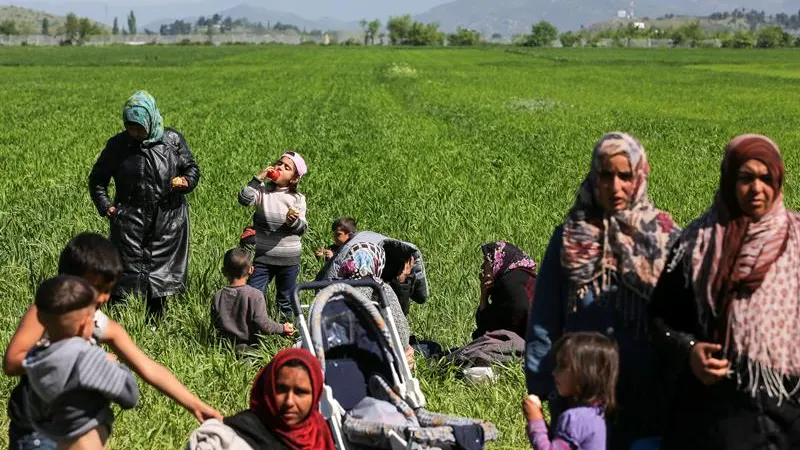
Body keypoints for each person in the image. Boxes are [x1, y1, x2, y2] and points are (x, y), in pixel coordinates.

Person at [525, 132, 680, 450]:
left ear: (639, 176)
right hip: (582, 389)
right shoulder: (570, 237)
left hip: (645, 389)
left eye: (625, 176)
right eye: (606, 175)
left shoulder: (664, 238)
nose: (615, 186)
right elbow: (544, 318)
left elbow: (679, 318)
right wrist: (541, 388)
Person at [649, 134, 800, 450]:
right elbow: (661, 317)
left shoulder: (797, 242)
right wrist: (689, 351)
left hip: (790, 408)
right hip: (717, 410)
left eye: (766, 178)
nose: (757, 188)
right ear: (730, 179)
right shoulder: (695, 244)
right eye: (745, 178)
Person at [4, 232, 220, 450]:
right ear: (70, 282)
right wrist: (72, 358)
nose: (105, 298)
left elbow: (148, 368)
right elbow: (13, 361)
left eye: (108, 290)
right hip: (36, 430)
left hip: (78, 429)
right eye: (98, 289)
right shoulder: (49, 312)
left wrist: (195, 405)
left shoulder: (98, 322)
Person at [88, 90, 200, 322]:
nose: (135, 133)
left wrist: (186, 182)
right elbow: (98, 180)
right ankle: (117, 324)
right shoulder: (118, 145)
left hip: (167, 220)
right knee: (123, 273)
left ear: (151, 119)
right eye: (130, 127)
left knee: (160, 276)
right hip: (129, 220)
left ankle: (154, 324)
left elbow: (192, 169)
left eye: (139, 127)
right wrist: (107, 207)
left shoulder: (172, 140)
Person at [23, 275, 139, 448]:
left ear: (40, 318)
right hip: (86, 440)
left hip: (57, 438)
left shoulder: (36, 357)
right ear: (85, 325)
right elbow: (129, 395)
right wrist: (112, 364)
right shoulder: (86, 358)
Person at [186, 348, 335, 450]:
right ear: (268, 388)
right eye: (281, 389)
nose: (289, 401)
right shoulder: (227, 438)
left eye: (300, 392)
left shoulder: (318, 433)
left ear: (315, 395)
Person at [239, 151, 308, 321]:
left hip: (289, 259)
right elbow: (244, 199)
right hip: (264, 257)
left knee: (285, 299)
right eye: (279, 163)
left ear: (294, 179)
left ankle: (286, 331)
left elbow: (302, 229)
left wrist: (293, 222)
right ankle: (254, 328)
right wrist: (257, 179)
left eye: (287, 167)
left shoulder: (297, 199)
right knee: (254, 293)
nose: (279, 168)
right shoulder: (263, 192)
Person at [524, 332, 619, 450]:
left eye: (562, 366)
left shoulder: (574, 419)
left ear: (585, 374)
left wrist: (535, 420)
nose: (554, 373)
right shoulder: (597, 414)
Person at [212, 248, 295, 352]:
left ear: (224, 271)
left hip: (223, 348)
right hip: (250, 350)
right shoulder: (255, 295)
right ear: (251, 270)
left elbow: (216, 324)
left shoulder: (218, 296)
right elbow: (263, 324)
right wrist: (282, 328)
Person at [474, 241, 537, 340]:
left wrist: (484, 297)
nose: (482, 267)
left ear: (498, 261)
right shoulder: (526, 278)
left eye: (486, 261)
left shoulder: (509, 284)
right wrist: (484, 295)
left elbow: (485, 332)